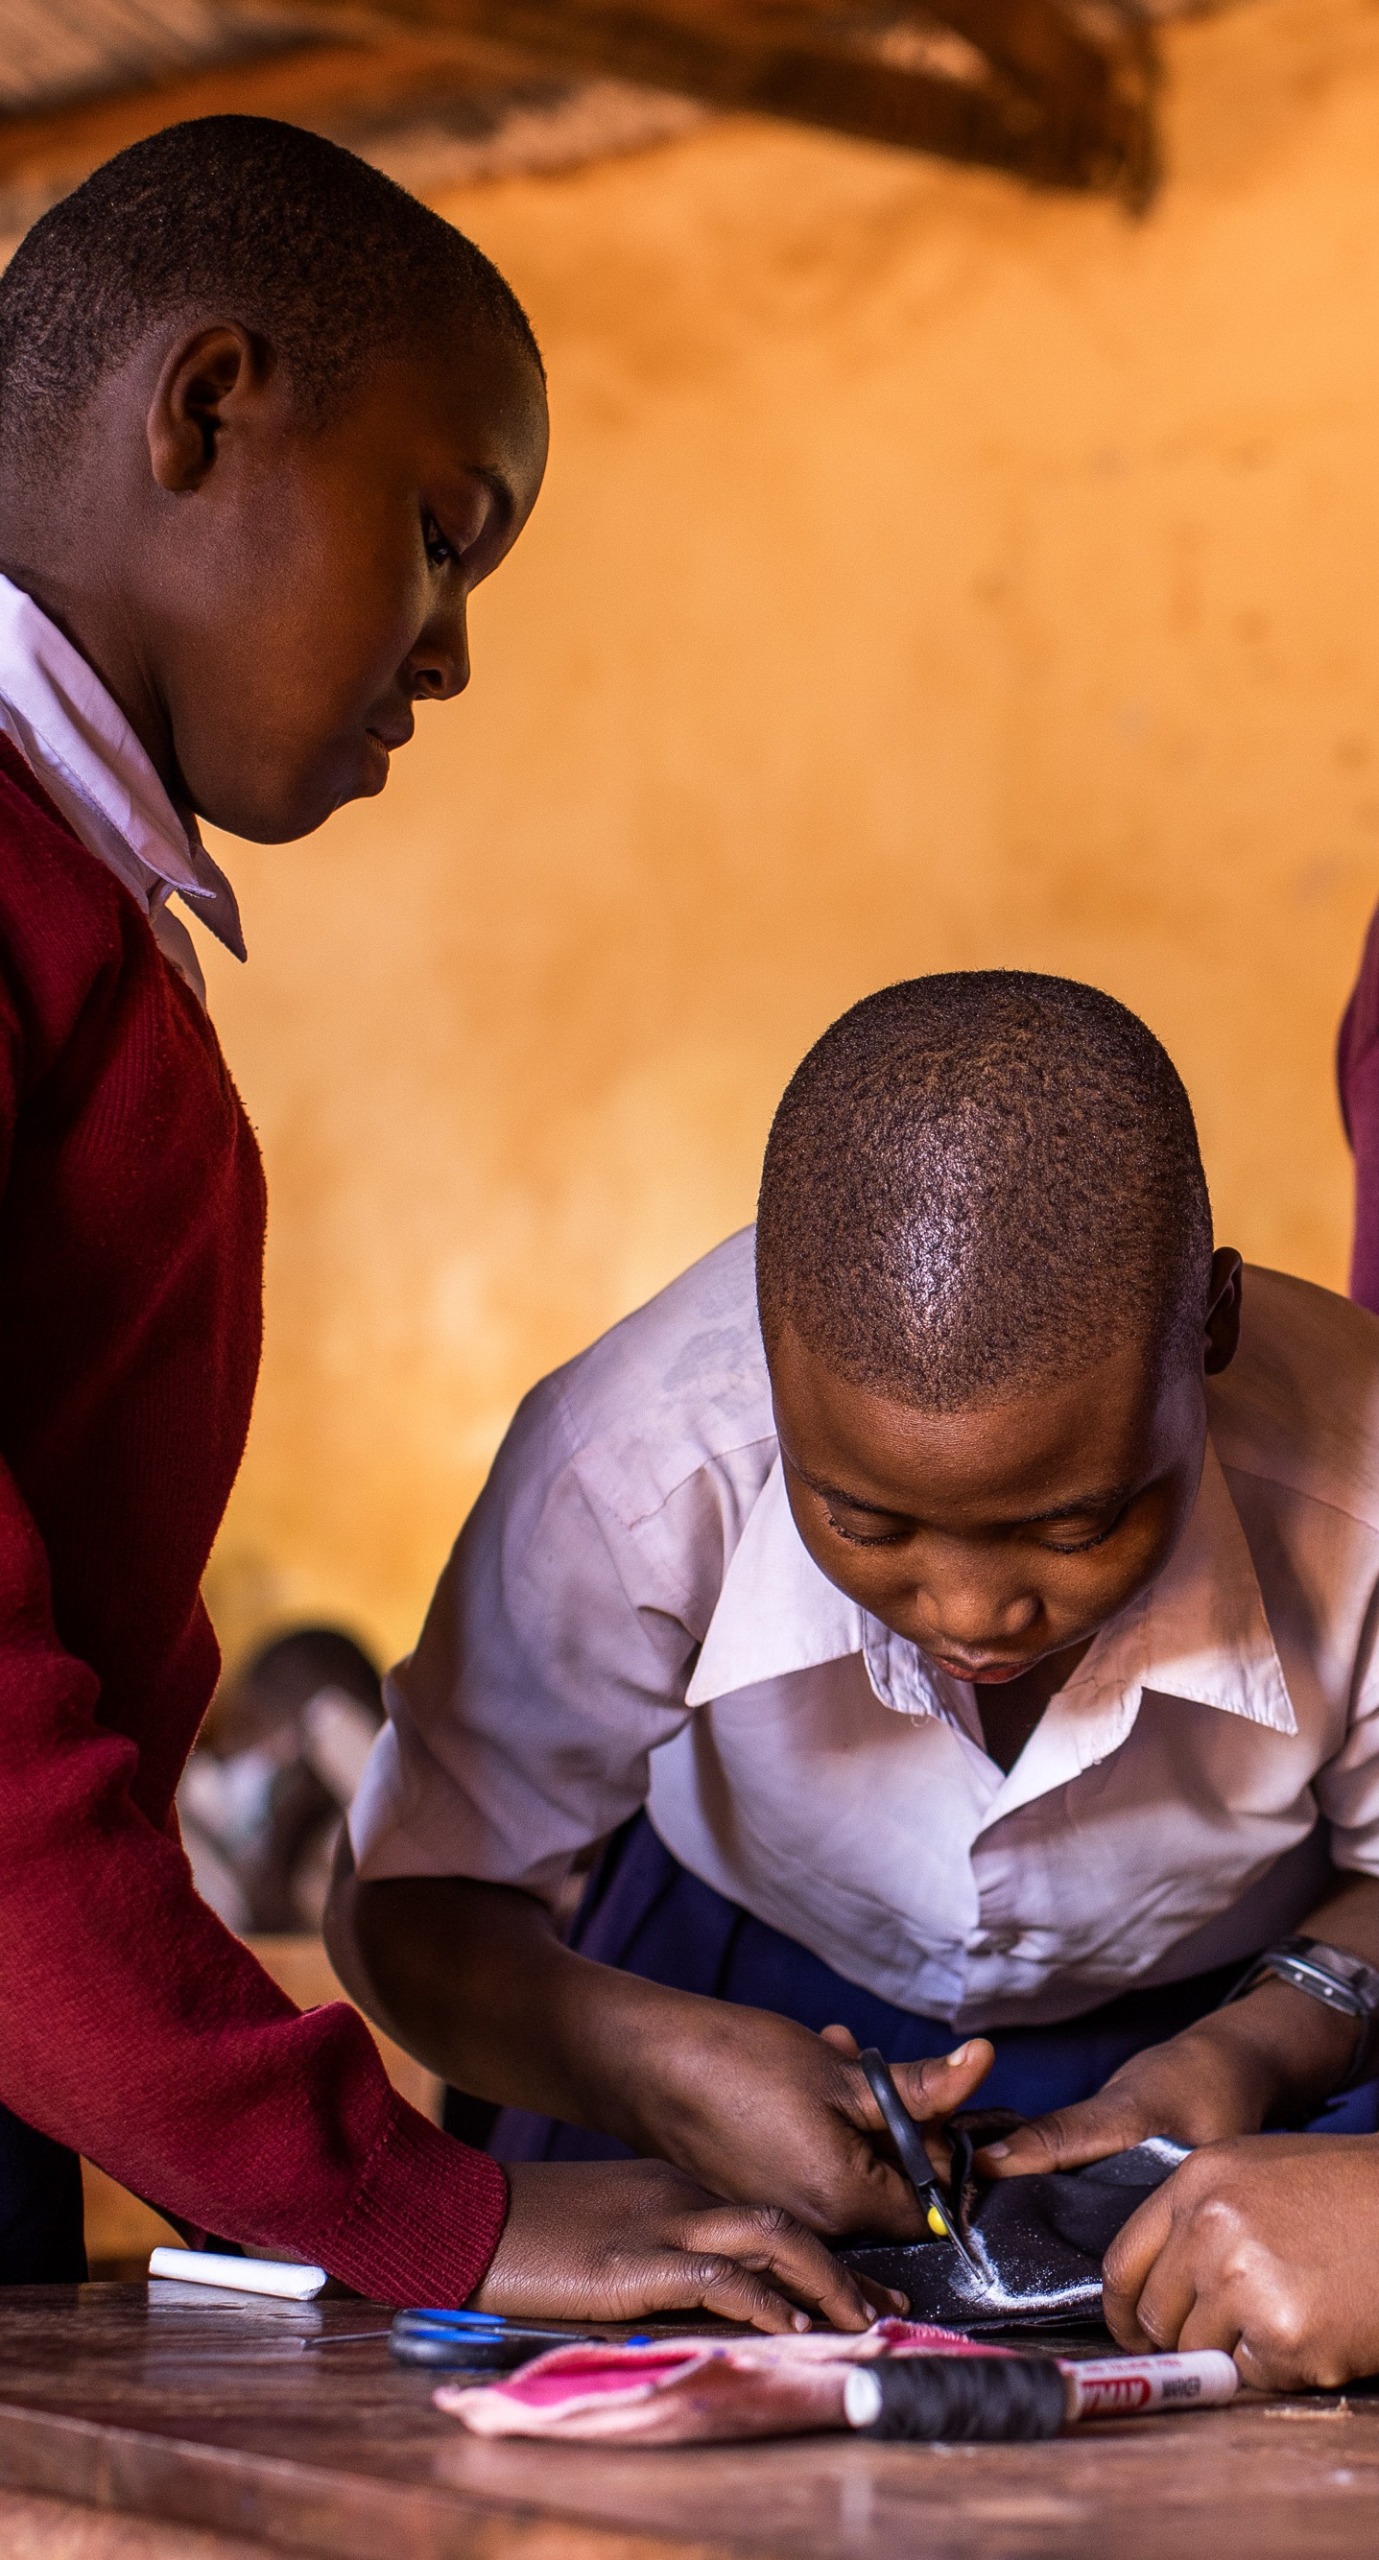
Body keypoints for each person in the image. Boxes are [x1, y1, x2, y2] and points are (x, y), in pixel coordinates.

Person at [0, 111, 883, 2339]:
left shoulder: (81, 911)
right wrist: (417, 2207)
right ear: (208, 406)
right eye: (439, 532)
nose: (453, 651)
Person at [331, 969, 1379, 2285]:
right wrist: (652, 2070)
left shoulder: (1361, 1486)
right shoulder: (632, 1460)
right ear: (769, 1344)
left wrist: (1269, 2041)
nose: (975, 1615)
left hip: (1251, 2010)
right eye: (868, 1523)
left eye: (1076, 1524)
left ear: (1209, 1326)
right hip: (700, 1998)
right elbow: (409, 1897)